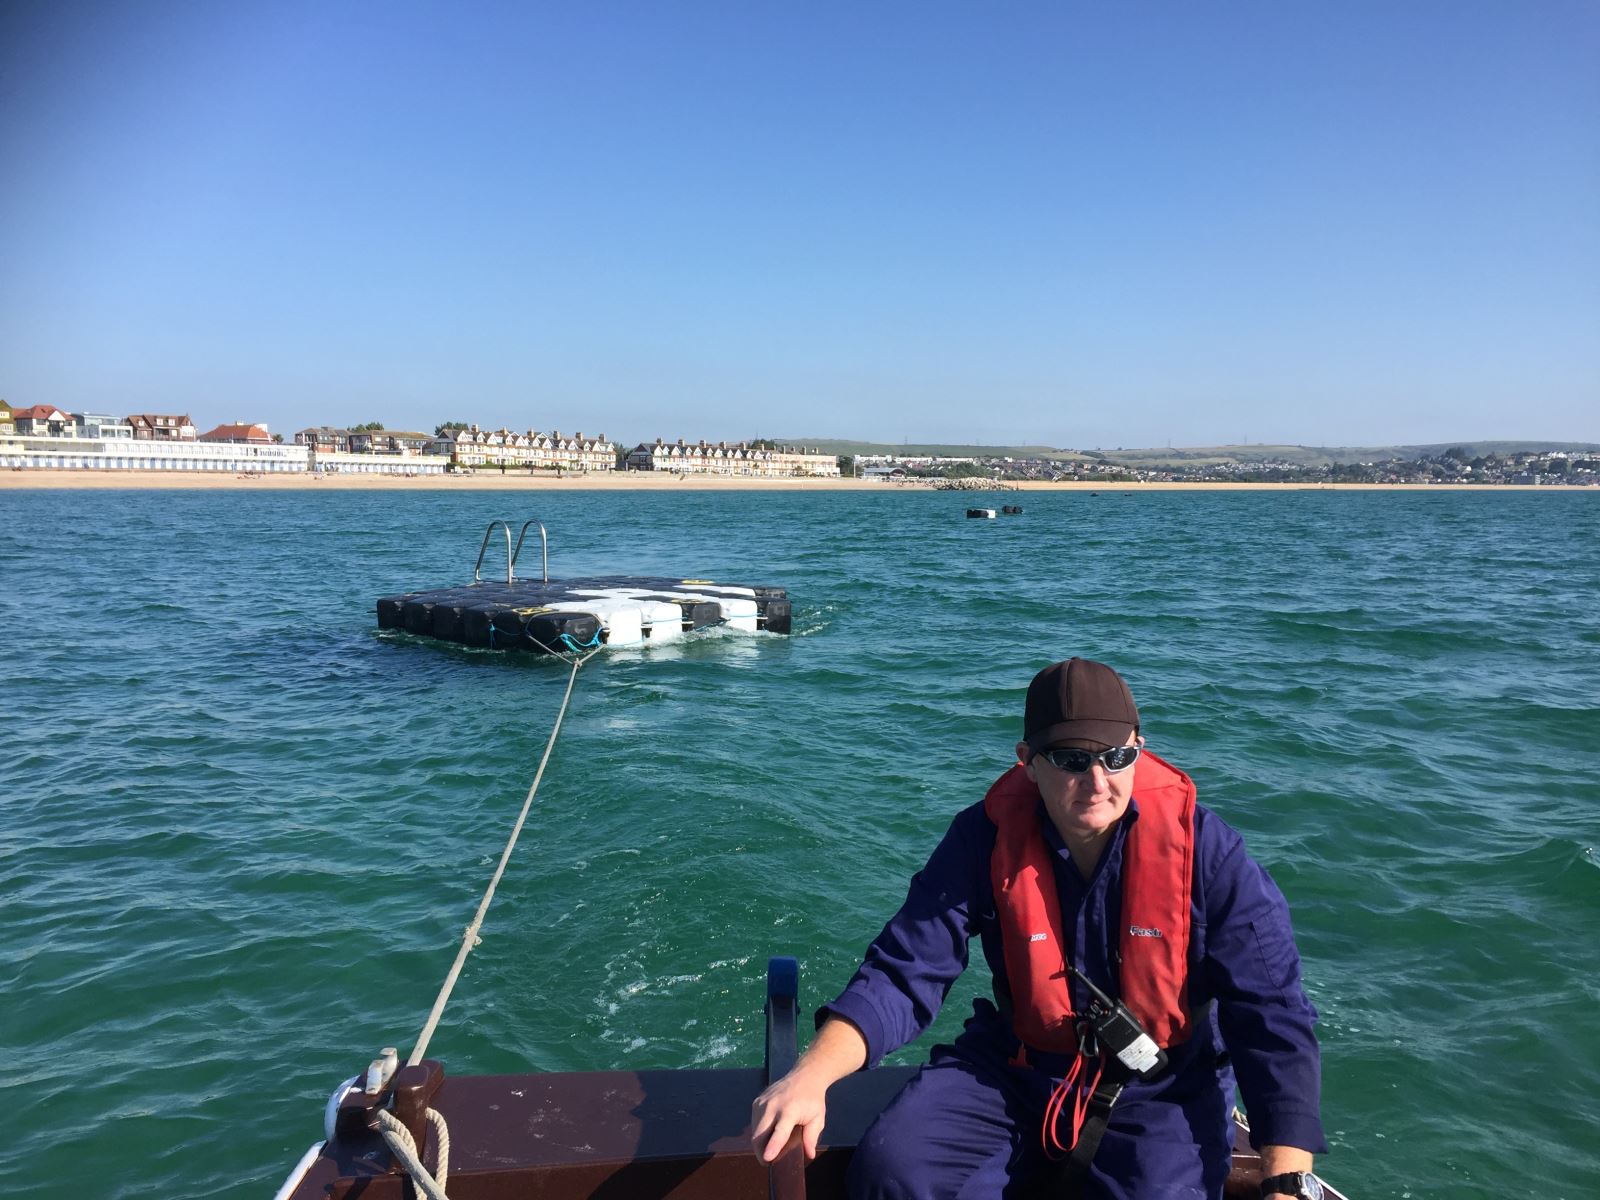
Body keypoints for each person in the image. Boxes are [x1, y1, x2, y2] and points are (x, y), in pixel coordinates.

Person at [752, 658, 1327, 1200]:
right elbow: (906, 972)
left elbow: (1272, 1013)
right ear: (1028, 760)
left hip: (1163, 1085)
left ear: (1139, 750)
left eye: (1117, 757)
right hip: (1019, 1066)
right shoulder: (983, 838)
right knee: (895, 1170)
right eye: (1073, 760)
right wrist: (811, 1075)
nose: (1098, 780)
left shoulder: (1209, 854)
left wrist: (1289, 1177)